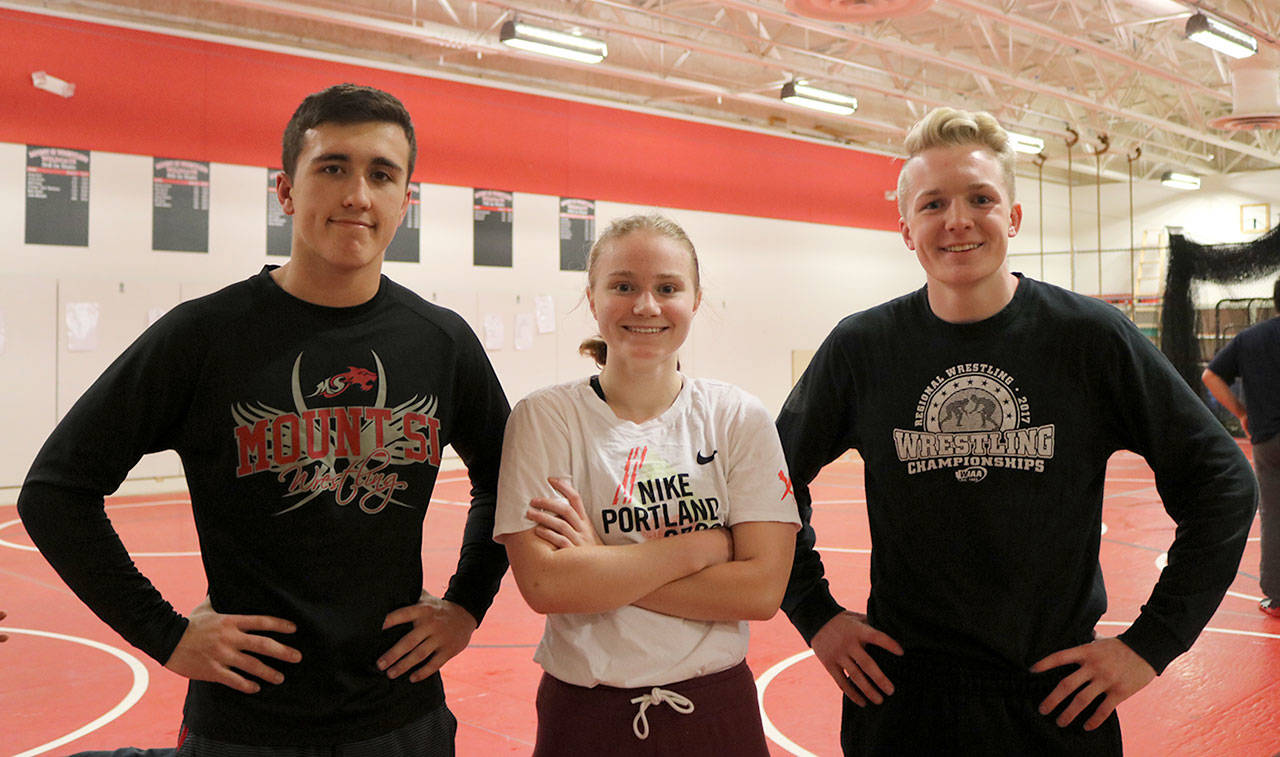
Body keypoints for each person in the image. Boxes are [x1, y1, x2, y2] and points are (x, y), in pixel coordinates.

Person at [17, 84, 510, 755]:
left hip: (400, 715)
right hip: (247, 726)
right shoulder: (206, 337)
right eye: (332, 167)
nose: (357, 194)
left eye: (381, 174)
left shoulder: (441, 343)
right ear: (285, 190)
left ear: (404, 201)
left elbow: (508, 477)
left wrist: (466, 604)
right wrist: (165, 633)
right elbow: (55, 490)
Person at [778, 107, 1257, 755]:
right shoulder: (863, 347)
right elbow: (767, 480)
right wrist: (815, 612)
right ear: (904, 227)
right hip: (904, 699)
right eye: (932, 203)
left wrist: (1150, 644)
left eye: (981, 198)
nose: (957, 219)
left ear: (1014, 216)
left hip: (1052, 701)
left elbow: (1222, 483)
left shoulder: (1089, 338)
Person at [492, 214, 800, 755]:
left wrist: (601, 564)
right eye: (624, 286)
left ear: (696, 298)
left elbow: (761, 590)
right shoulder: (545, 418)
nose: (646, 306)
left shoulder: (737, 417)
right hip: (587, 713)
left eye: (667, 288)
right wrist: (703, 548)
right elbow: (547, 586)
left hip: (715, 707)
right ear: (592, 297)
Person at [1202, 280, 1280, 618]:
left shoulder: (1251, 338)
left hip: (1267, 440)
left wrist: (1242, 413)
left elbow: (1211, 377)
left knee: (1274, 517)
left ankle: (1277, 597)